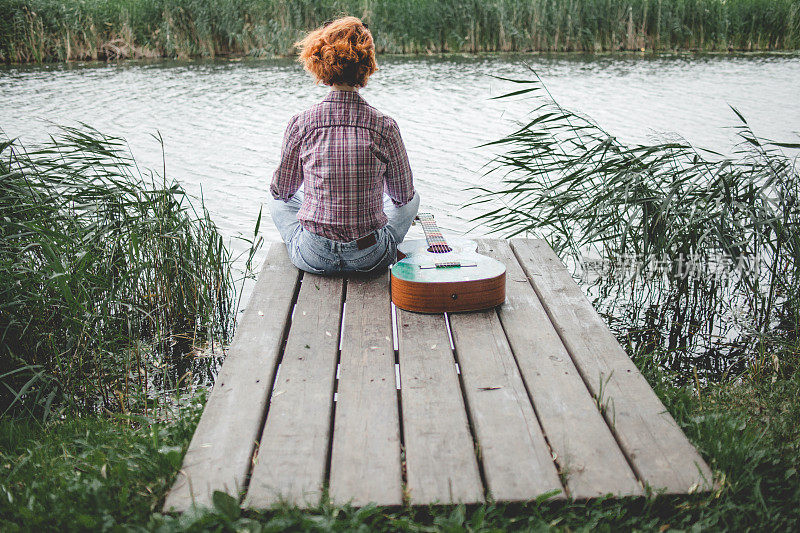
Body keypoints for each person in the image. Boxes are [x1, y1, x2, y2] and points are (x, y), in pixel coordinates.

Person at [269, 16, 420, 275]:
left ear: (319, 62)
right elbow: (402, 196)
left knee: (280, 201)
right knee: (412, 198)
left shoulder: (301, 123)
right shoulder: (385, 126)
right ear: (367, 65)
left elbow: (281, 191)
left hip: (314, 255)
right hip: (369, 257)